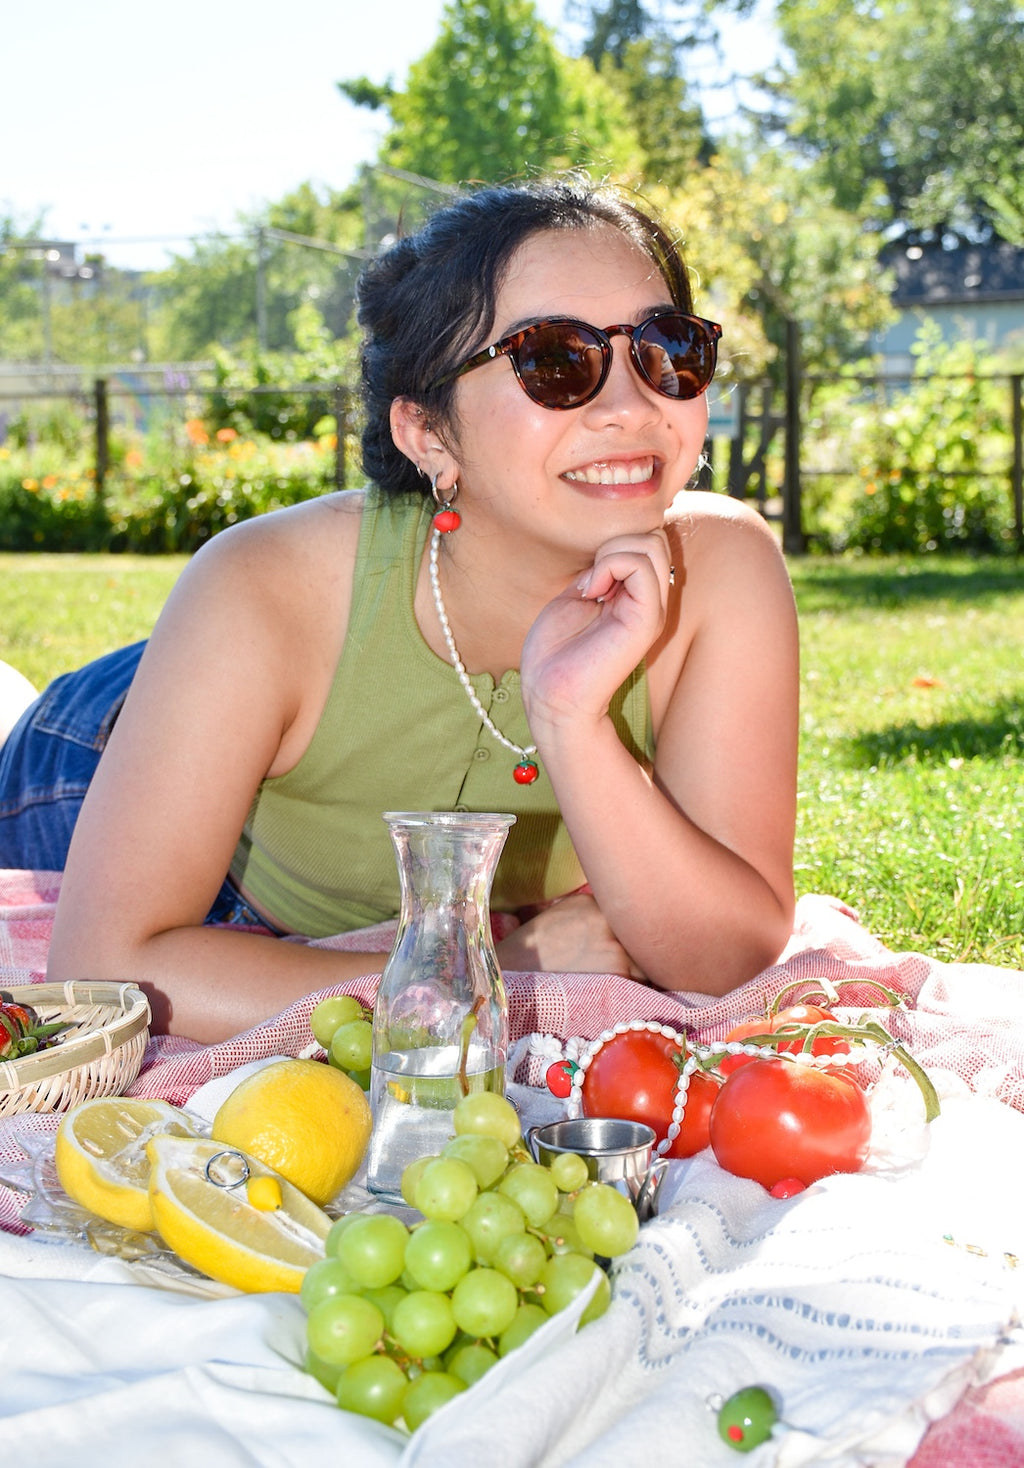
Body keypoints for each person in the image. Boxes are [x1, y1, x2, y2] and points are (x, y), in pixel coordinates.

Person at [0, 177, 799, 1043]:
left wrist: (572, 718)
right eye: (557, 362)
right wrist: (495, 973)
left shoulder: (721, 570)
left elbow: (727, 960)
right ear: (427, 432)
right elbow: (106, 970)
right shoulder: (264, 583)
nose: (631, 406)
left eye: (665, 348)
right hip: (97, 766)